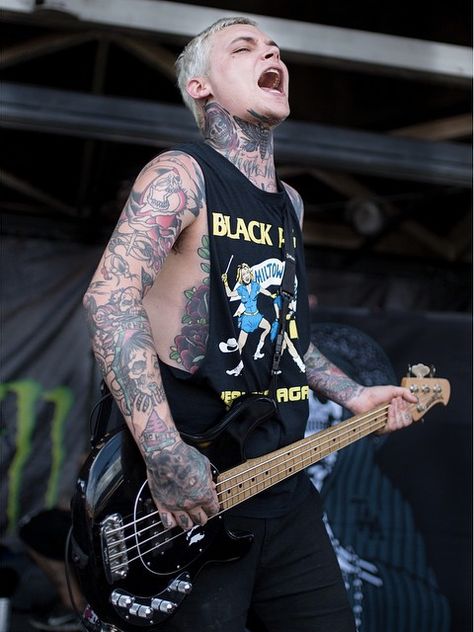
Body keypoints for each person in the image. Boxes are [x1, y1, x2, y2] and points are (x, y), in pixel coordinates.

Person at [83, 16, 417, 632]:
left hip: (284, 492)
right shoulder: (180, 174)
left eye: (275, 48)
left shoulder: (288, 203)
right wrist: (164, 456)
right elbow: (109, 298)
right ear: (201, 87)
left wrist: (355, 394)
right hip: (189, 498)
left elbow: (287, 336)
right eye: (245, 47)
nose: (272, 54)